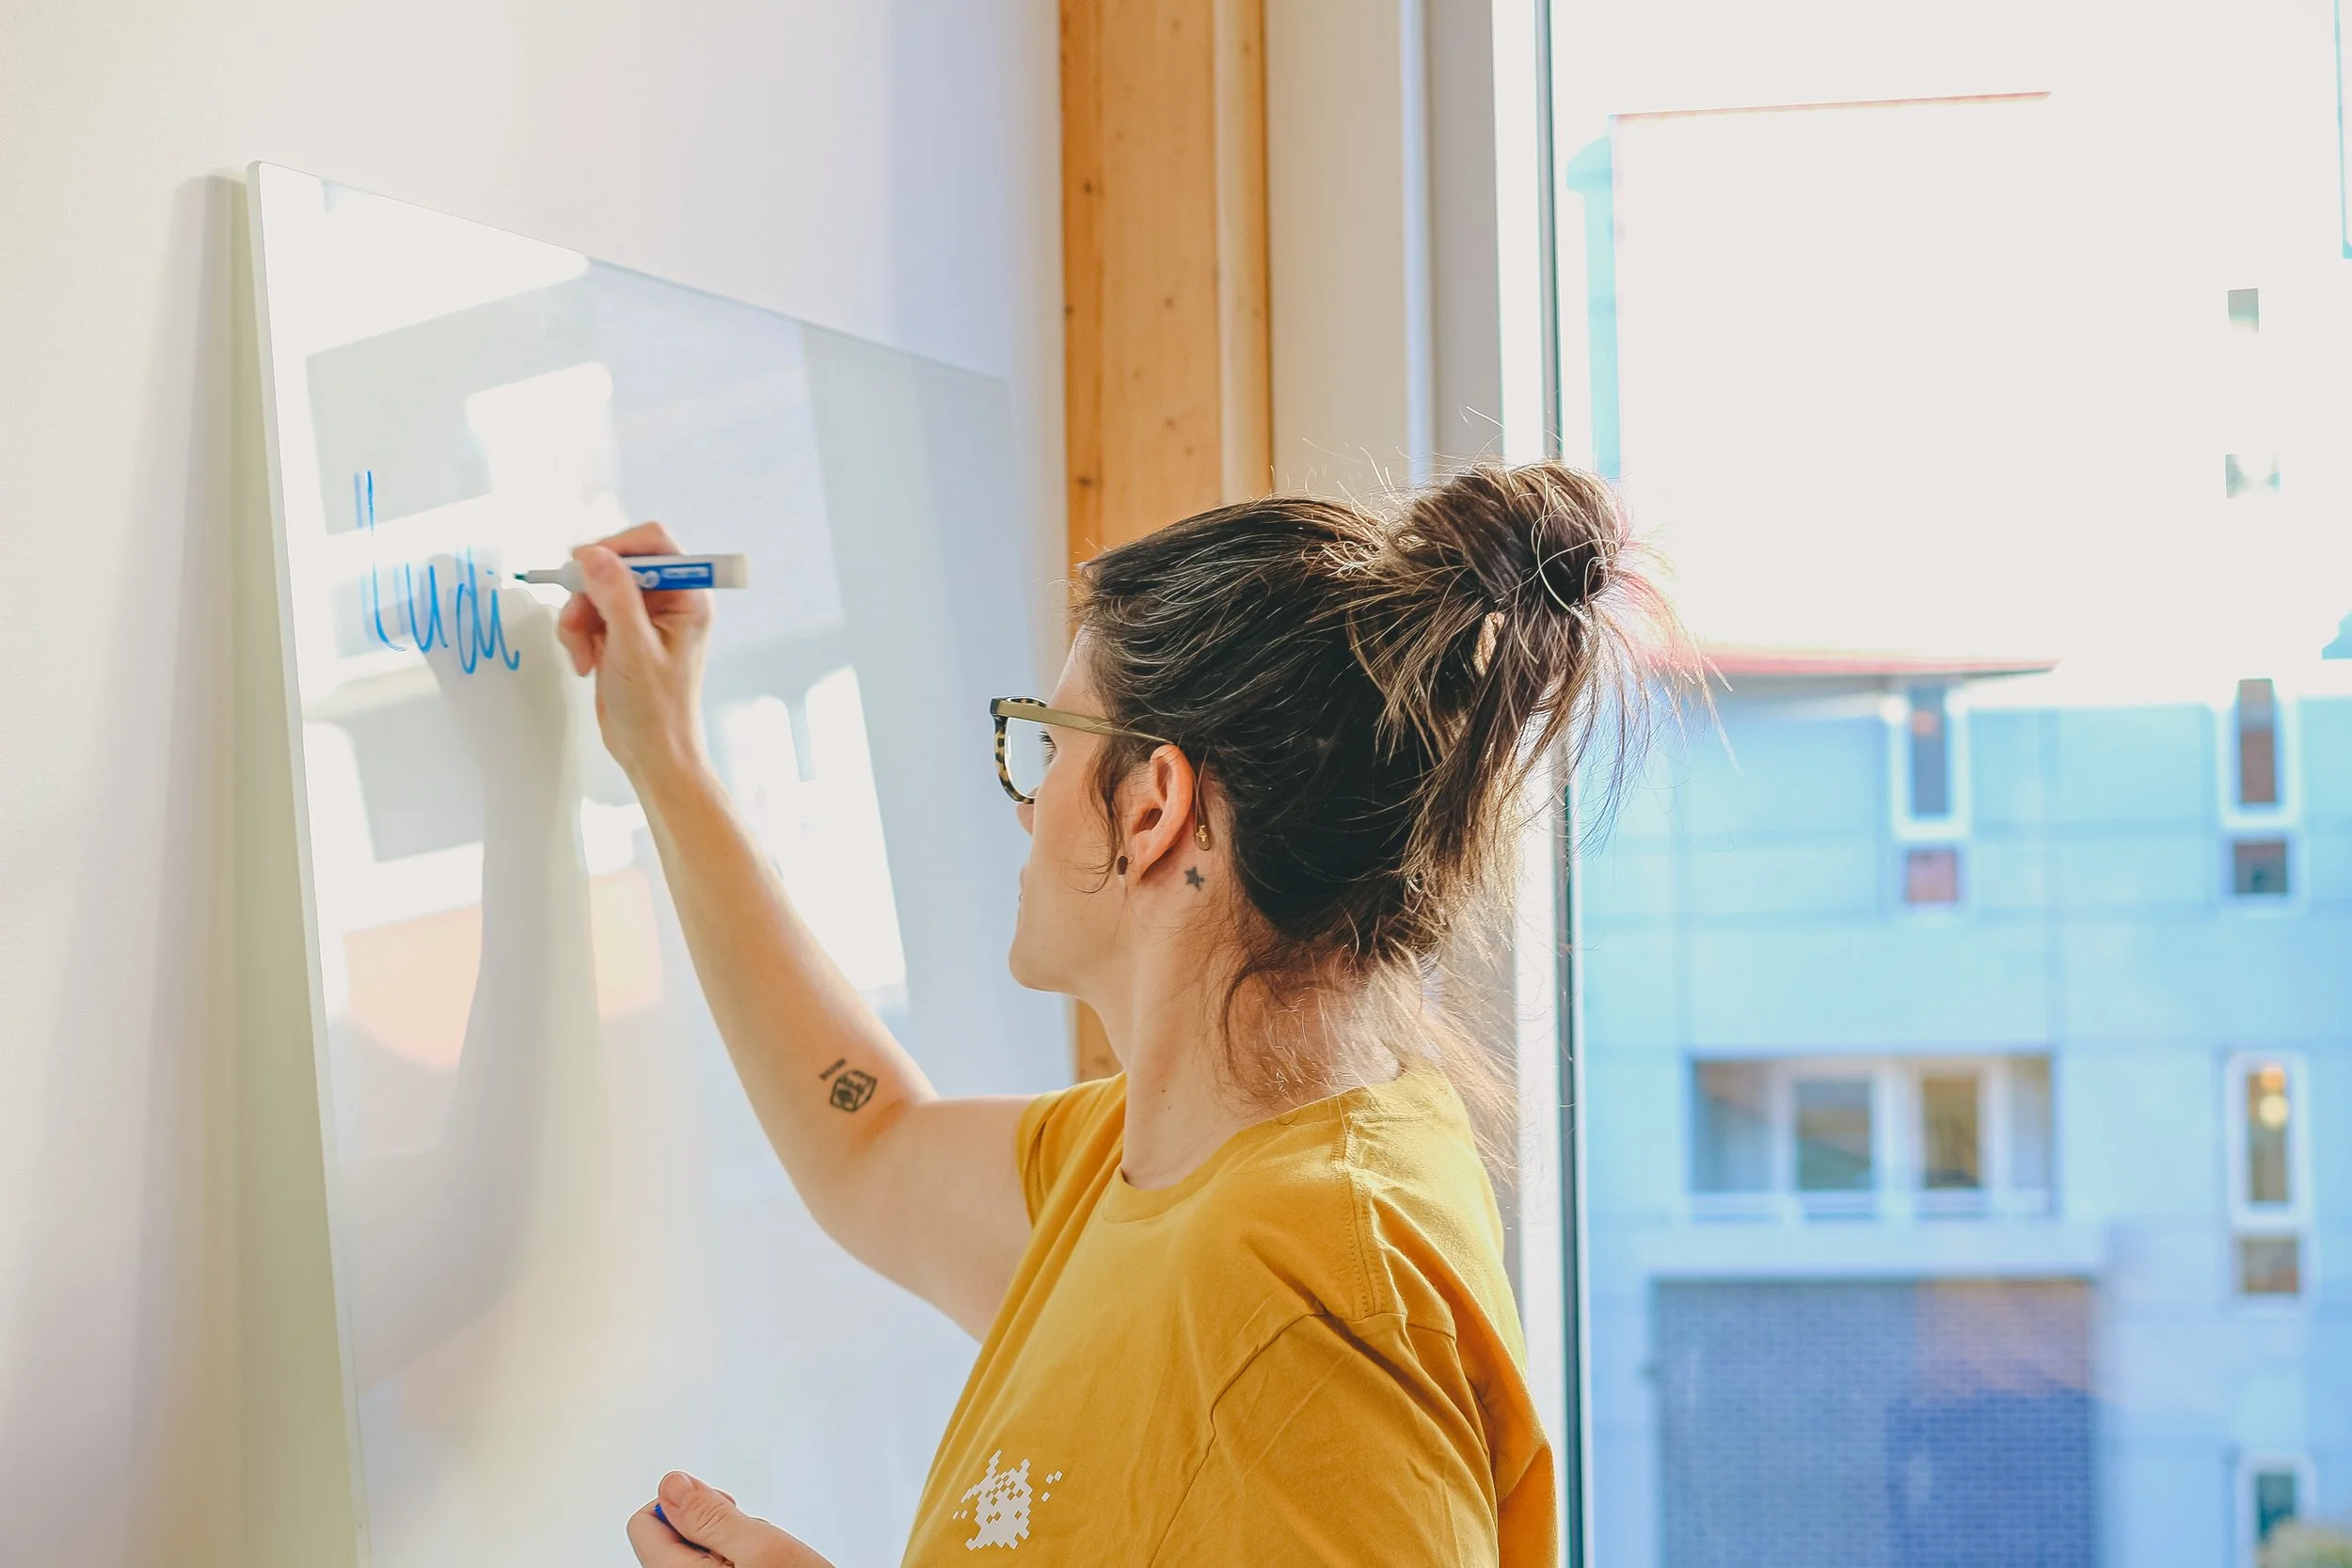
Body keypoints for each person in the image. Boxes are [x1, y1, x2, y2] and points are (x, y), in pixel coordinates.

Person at [565, 462, 1672, 1566]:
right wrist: (662, 755)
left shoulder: (1310, 1297)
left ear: (1151, 807)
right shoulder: (1143, 1170)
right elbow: (867, 1141)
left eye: (1048, 745)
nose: (1028, 802)